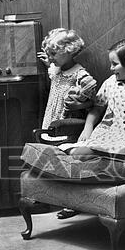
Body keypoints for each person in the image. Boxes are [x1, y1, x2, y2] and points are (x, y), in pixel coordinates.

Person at [37, 28, 97, 219]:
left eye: (54, 53)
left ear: (69, 51)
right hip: (52, 118)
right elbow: (53, 74)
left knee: (68, 160)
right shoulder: (57, 70)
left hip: (67, 122)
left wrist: (81, 102)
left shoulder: (78, 73)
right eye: (49, 53)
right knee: (52, 156)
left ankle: (73, 201)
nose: (51, 57)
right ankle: (51, 195)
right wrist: (51, 62)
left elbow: (92, 88)